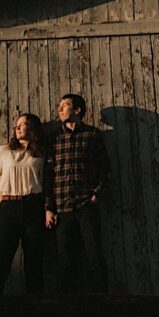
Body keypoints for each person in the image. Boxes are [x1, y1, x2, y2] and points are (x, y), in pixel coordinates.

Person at [44, 93, 111, 293]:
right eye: (59, 105)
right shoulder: (54, 139)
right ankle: (70, 308)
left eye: (64, 105)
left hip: (85, 205)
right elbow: (48, 175)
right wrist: (49, 208)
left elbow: (105, 169)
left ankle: (100, 304)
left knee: (94, 257)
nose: (60, 109)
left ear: (77, 110)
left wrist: (96, 195)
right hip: (62, 208)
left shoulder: (92, 135)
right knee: (65, 260)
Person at [0, 113, 48, 294]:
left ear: (33, 128)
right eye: (16, 125)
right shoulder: (3, 151)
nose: (18, 128)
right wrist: (0, 194)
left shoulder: (41, 152)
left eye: (23, 124)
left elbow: (46, 181)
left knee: (34, 259)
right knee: (0, 257)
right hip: (9, 206)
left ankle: (35, 307)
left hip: (34, 206)